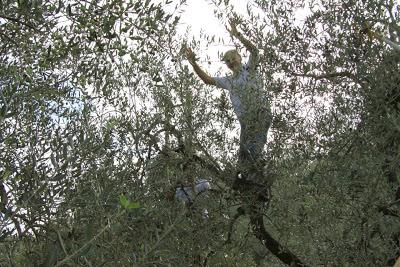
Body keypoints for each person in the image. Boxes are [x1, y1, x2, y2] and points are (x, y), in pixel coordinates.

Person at [185, 20, 272, 188]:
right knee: (243, 160)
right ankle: (252, 192)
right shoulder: (228, 81)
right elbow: (207, 80)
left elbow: (254, 50)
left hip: (260, 114)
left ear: (240, 58)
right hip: (246, 122)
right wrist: (194, 64)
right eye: (228, 61)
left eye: (233, 58)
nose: (231, 62)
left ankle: (263, 181)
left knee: (253, 153)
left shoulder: (250, 70)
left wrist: (237, 34)